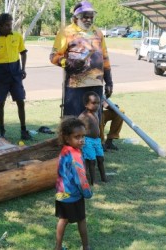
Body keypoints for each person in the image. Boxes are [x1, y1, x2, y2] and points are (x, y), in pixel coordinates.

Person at [50, 0, 114, 118]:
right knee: (74, 121)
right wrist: (70, 62)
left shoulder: (98, 32)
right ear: (77, 17)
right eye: (85, 17)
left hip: (96, 85)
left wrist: (109, 81)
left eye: (91, 17)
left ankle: (94, 137)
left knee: (94, 120)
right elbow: (53, 57)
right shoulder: (66, 32)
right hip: (75, 86)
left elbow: (105, 58)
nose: (89, 20)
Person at [0, 13, 31, 140]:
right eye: (7, 25)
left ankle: (23, 130)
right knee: (1, 102)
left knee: (20, 101)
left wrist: (23, 69)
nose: (10, 27)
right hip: (1, 74)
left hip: (15, 73)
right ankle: (1, 129)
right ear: (0, 26)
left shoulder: (17, 36)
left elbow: (23, 53)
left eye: (11, 24)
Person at [55, 117, 93, 250]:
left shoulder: (65, 150)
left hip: (60, 193)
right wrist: (87, 193)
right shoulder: (75, 155)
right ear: (66, 138)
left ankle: (58, 247)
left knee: (63, 220)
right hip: (73, 194)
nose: (81, 140)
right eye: (77, 137)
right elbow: (80, 179)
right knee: (81, 220)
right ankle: (86, 246)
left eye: (83, 136)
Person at [78, 91, 107, 185]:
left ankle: (104, 178)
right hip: (88, 141)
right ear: (86, 104)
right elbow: (78, 129)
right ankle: (93, 181)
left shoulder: (96, 113)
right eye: (94, 103)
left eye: (98, 103)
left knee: (101, 159)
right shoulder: (83, 116)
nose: (97, 105)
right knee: (91, 161)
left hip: (97, 140)